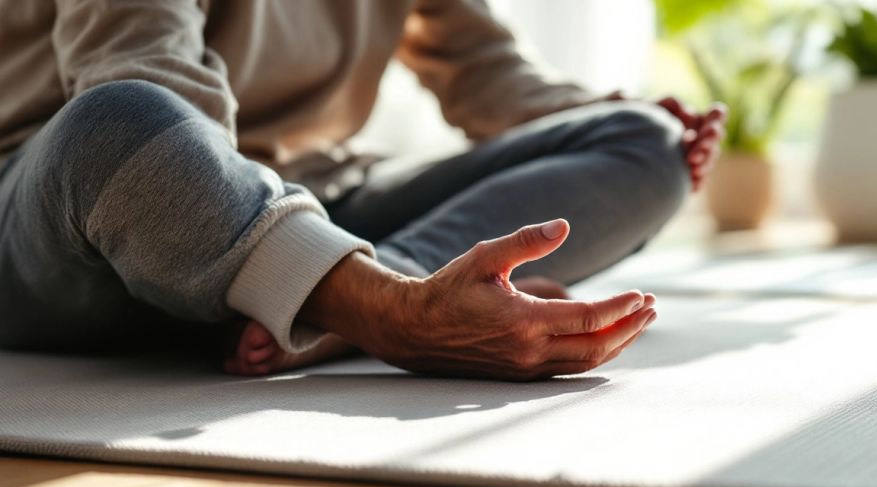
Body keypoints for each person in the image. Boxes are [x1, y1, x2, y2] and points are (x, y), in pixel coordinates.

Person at [0, 0, 725, 381]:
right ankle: (385, 309)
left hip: (303, 197)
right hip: (75, 222)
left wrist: (604, 114)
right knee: (122, 119)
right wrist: (244, 220)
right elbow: (149, 80)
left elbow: (487, 74)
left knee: (640, 139)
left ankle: (339, 300)